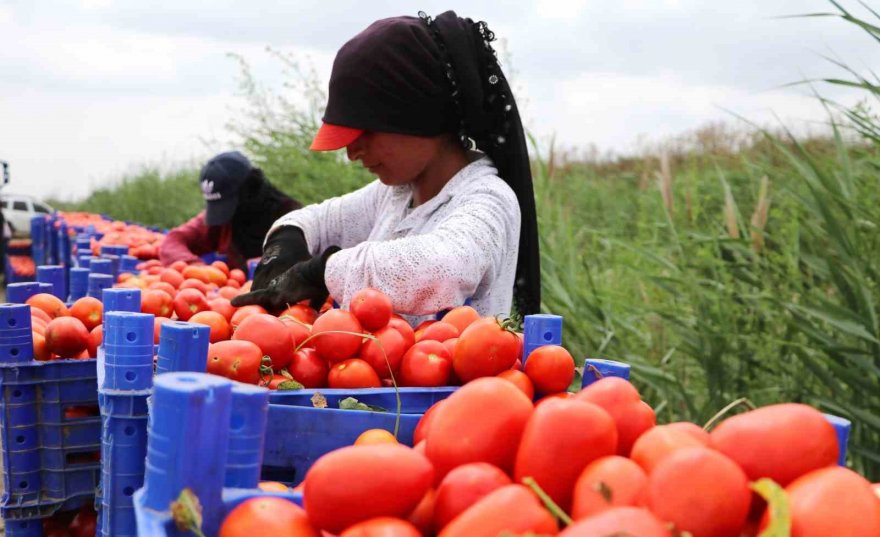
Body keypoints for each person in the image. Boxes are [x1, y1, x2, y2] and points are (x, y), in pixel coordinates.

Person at [232, 10, 540, 324]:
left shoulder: (488, 200)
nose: (352, 152)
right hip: (377, 370)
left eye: (365, 132)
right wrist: (286, 241)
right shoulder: (395, 195)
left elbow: (441, 267)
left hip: (454, 373)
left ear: (420, 115)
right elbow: (316, 220)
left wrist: (321, 271)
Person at [159, 151, 302, 271]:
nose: (223, 213)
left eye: (227, 204)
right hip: (229, 299)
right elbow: (173, 240)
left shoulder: (291, 217)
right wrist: (195, 269)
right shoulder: (223, 221)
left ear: (249, 189)